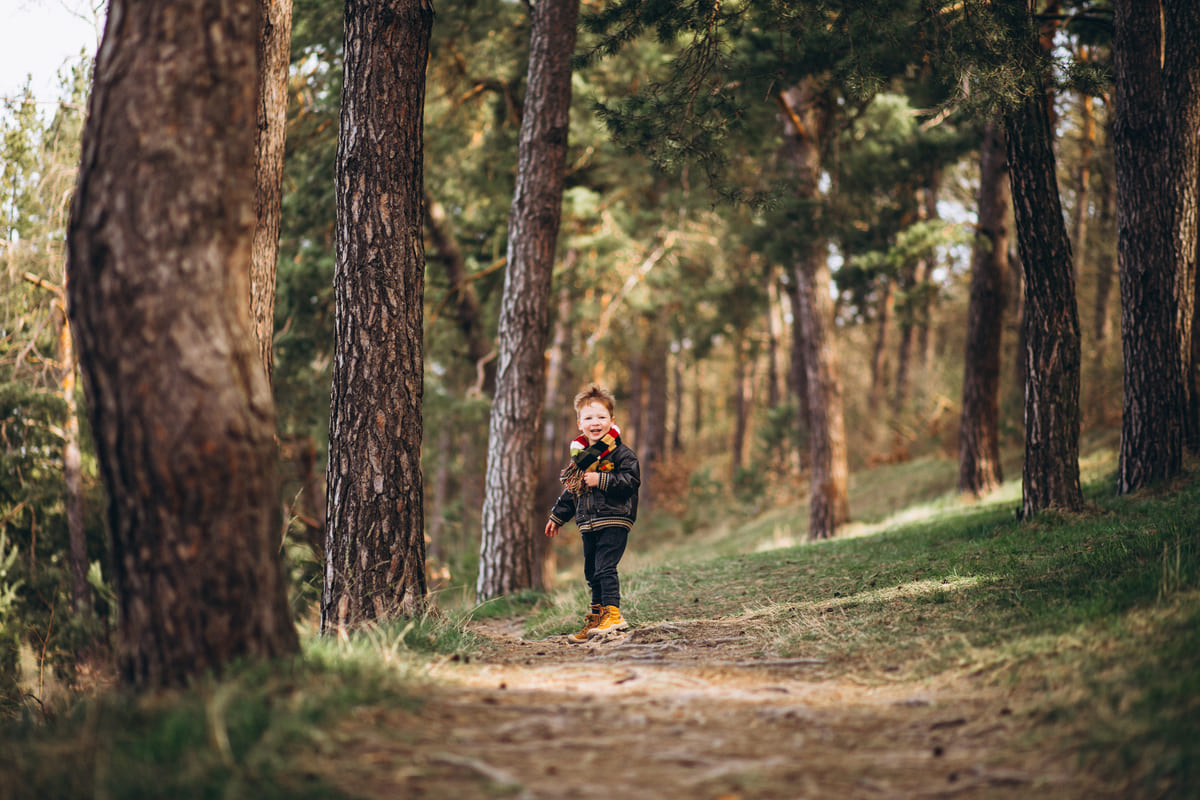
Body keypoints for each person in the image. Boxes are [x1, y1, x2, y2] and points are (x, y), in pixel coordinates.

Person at [545, 383, 641, 643]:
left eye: (601, 417)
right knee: (592, 571)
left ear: (612, 420)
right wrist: (557, 516)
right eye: (589, 418)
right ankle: (598, 617)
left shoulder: (622, 454)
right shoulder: (581, 459)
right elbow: (572, 490)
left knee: (605, 567)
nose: (595, 423)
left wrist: (602, 480)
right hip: (588, 523)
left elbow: (631, 482)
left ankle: (613, 614)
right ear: (580, 424)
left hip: (614, 518)